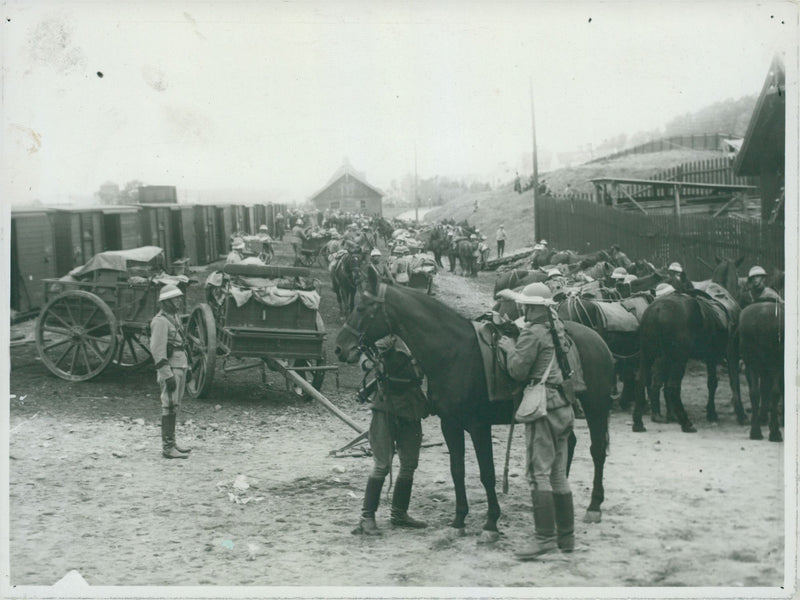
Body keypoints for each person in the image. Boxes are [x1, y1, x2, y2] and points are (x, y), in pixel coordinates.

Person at [497, 283, 574, 560]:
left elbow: (518, 370)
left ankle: (544, 539)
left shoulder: (532, 332)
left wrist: (510, 348)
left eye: (526, 306)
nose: (524, 310)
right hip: (563, 405)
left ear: (533, 308)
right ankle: (566, 537)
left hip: (544, 408)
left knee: (537, 474)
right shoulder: (557, 328)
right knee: (558, 473)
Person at [355, 335, 430, 535]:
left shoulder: (419, 338)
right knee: (382, 465)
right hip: (386, 407)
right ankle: (367, 518)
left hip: (412, 406)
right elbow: (365, 356)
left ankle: (399, 514)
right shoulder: (387, 338)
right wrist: (369, 363)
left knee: (409, 464)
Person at [150, 284, 192, 459]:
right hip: (171, 368)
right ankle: (167, 447)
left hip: (180, 365)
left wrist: (188, 366)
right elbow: (157, 351)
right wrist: (167, 375)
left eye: (179, 298)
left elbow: (182, 344)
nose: (179, 301)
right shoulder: (160, 321)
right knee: (168, 404)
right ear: (166, 302)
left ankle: (172, 443)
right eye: (175, 299)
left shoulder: (174, 317)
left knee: (175, 404)